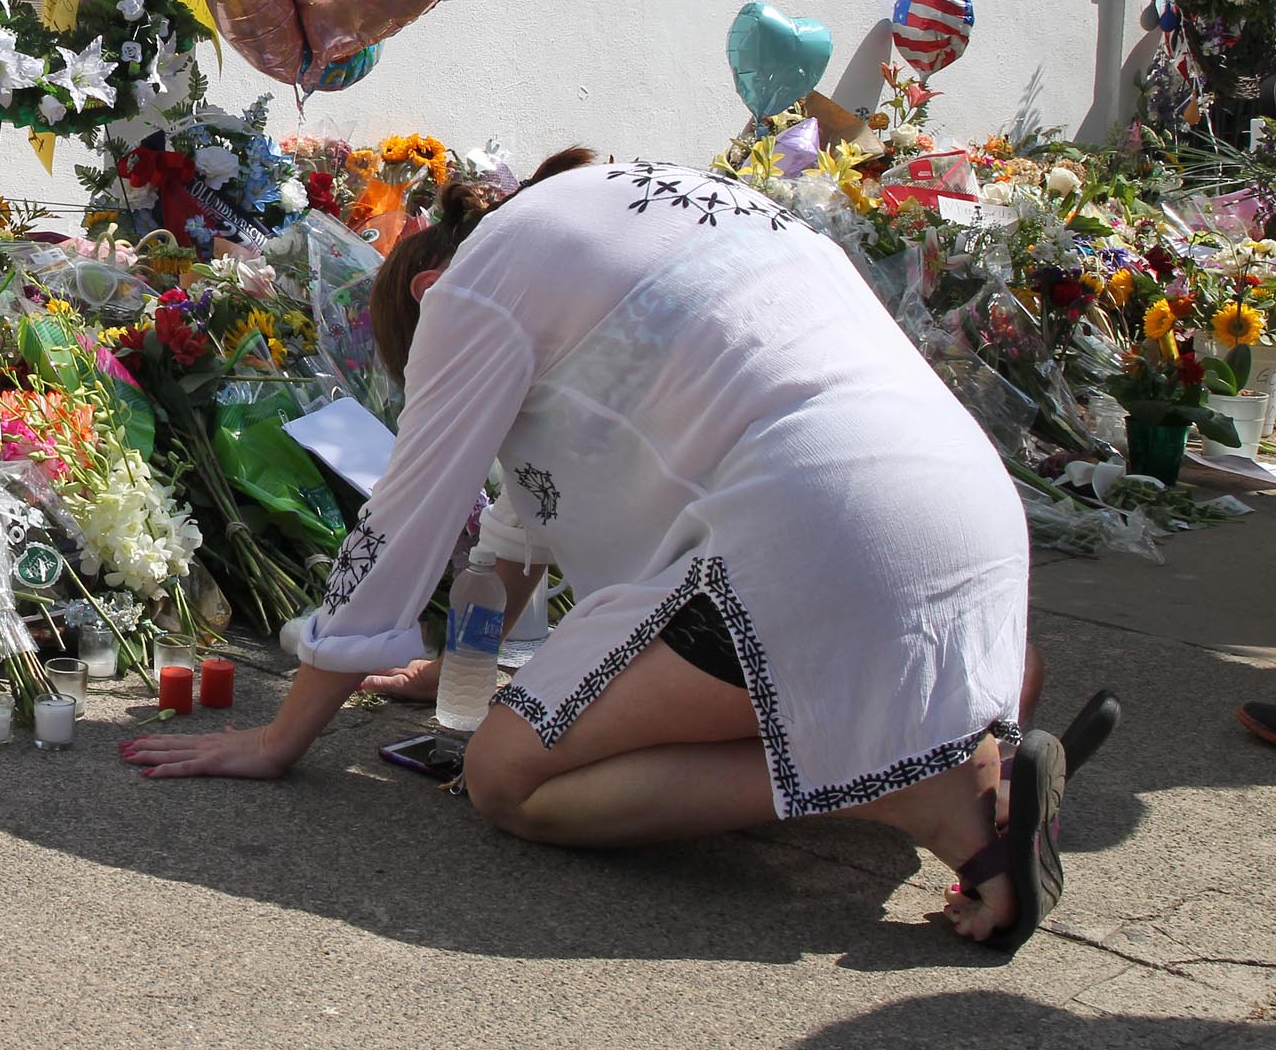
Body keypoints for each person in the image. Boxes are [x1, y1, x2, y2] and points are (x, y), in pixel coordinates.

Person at [122, 150, 1069, 948]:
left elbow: (404, 516)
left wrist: (281, 739)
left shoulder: (473, 288)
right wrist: (457, 661)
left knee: (508, 779)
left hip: (828, 532)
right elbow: (526, 516)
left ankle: (917, 787)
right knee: (804, 657)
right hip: (969, 519)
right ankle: (965, 721)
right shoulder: (611, 215)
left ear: (427, 292)